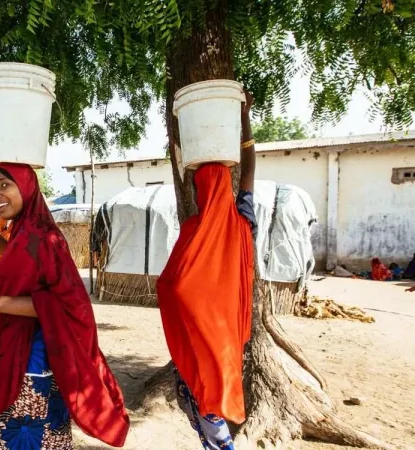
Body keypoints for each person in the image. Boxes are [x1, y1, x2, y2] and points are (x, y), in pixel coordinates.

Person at [0, 163, 129, 450]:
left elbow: (64, 302)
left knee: (22, 434)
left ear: (27, 187)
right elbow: (22, 263)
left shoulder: (41, 235)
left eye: (4, 185)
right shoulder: (26, 231)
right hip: (27, 350)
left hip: (34, 361)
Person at [156, 92, 257, 450]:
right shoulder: (243, 222)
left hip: (202, 335)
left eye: (199, 188)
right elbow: (248, 170)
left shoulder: (193, 229)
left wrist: (179, 132)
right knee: (207, 394)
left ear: (200, 192)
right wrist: (244, 117)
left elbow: (172, 285)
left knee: (204, 400)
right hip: (226, 334)